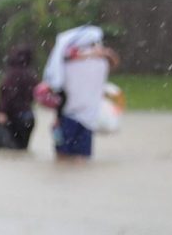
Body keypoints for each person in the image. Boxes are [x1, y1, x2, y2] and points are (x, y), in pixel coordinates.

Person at [45, 26, 120, 162]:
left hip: (67, 117)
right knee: (82, 160)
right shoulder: (101, 63)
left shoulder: (64, 64)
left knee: (62, 158)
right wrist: (102, 53)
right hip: (88, 120)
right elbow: (114, 61)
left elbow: (57, 89)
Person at [0, 46, 39, 151]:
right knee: (22, 150)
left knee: (11, 151)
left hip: (15, 118)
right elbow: (35, 95)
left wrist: (2, 111)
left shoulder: (11, 75)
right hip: (29, 117)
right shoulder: (32, 75)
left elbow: (6, 94)